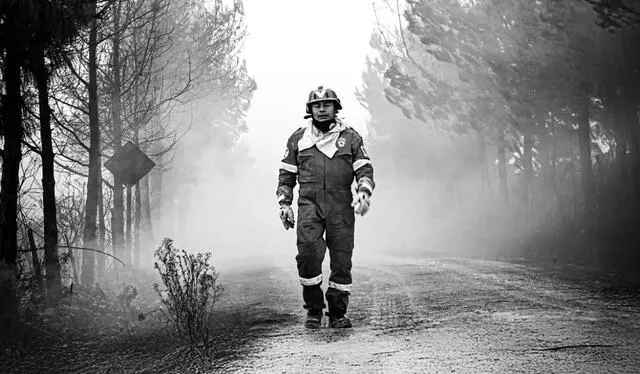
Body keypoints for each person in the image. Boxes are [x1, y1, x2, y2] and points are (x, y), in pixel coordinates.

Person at [276, 86, 375, 329]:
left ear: (335, 108)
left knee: (341, 259)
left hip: (341, 205)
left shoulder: (351, 137)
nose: (321, 109)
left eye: (326, 105)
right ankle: (313, 310)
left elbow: (365, 170)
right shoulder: (298, 139)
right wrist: (284, 204)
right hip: (309, 205)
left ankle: (338, 313)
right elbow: (286, 177)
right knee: (308, 254)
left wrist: (364, 191)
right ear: (309, 110)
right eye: (317, 106)